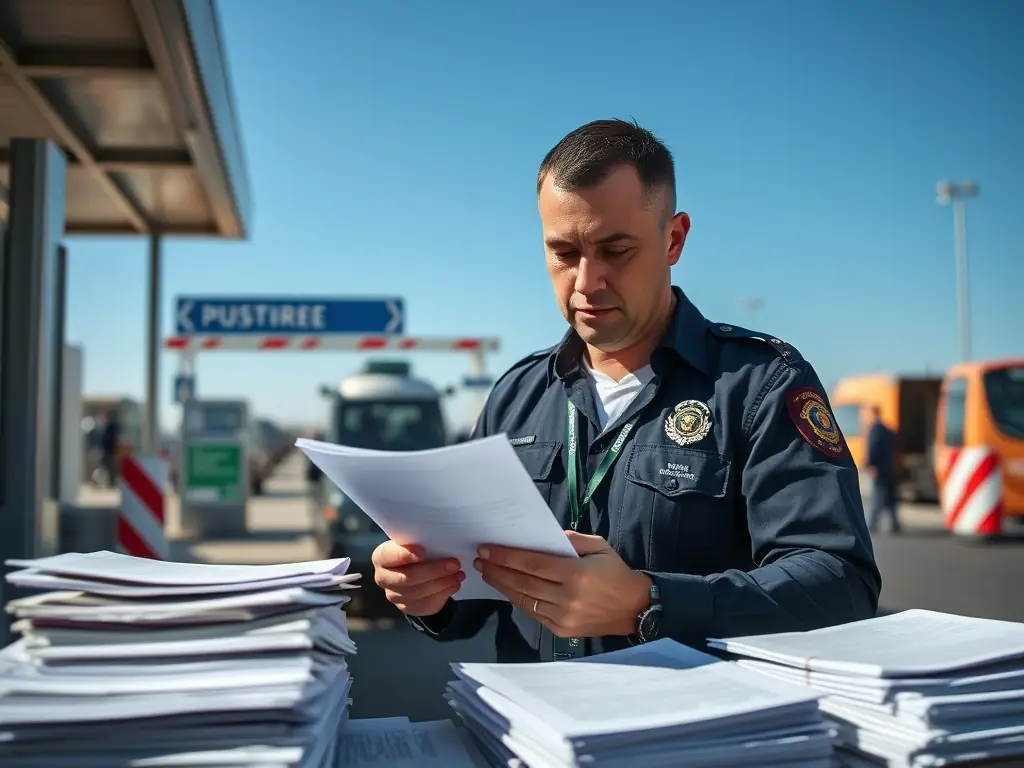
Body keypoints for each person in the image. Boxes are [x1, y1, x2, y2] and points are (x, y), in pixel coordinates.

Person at [371, 118, 881, 662]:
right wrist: (427, 592)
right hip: (532, 734)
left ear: (674, 239)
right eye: (564, 254)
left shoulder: (759, 385)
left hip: (692, 737)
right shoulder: (516, 397)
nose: (587, 283)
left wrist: (649, 602)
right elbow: (471, 600)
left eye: (615, 251)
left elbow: (838, 582)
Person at [865, 405, 901, 534]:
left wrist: (870, 464)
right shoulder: (887, 429)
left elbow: (873, 448)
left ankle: (872, 525)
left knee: (876, 497)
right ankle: (895, 524)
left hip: (879, 468)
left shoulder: (875, 429)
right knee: (890, 497)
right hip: (889, 467)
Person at [100, 410, 121, 488]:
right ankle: (111, 482)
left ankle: (112, 482)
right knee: (109, 466)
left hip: (110, 451)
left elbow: (110, 440)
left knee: (110, 466)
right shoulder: (110, 426)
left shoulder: (111, 426)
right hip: (109, 450)